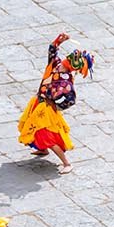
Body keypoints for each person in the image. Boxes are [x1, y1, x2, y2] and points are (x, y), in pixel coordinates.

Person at [17, 33, 76, 172]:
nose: (61, 64)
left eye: (64, 64)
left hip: (47, 109)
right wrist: (58, 41)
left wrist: (56, 104)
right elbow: (52, 50)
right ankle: (42, 150)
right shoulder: (55, 65)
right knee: (32, 127)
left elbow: (70, 100)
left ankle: (67, 164)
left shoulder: (65, 81)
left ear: (68, 68)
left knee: (47, 135)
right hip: (38, 103)